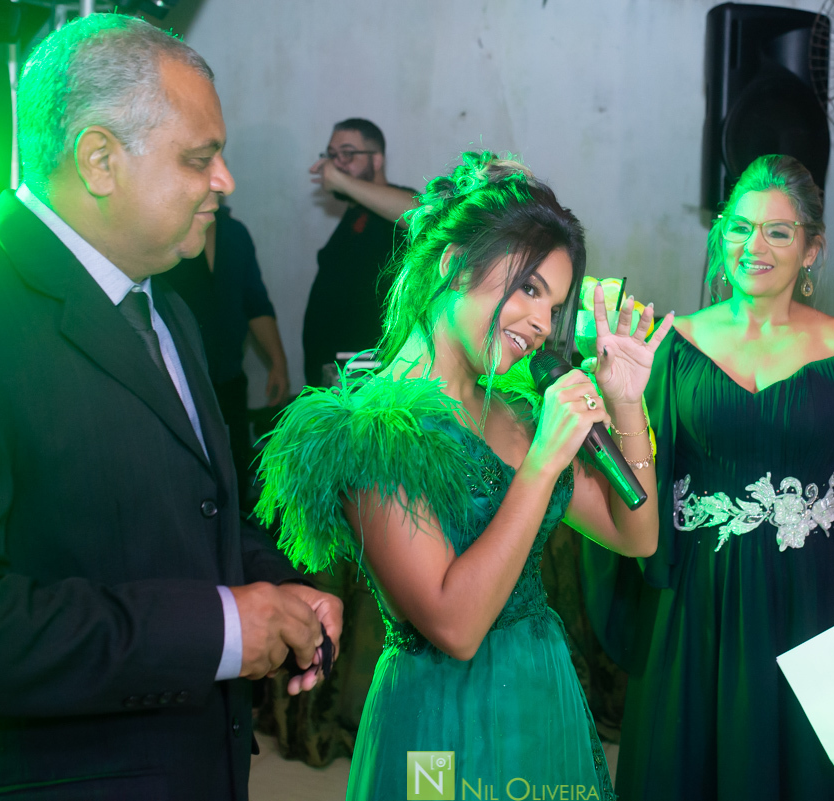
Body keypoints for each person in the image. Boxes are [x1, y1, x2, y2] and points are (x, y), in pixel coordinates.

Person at [0, 15, 342, 801]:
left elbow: (189, 513)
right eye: (200, 158)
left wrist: (278, 588)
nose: (225, 181)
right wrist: (223, 630)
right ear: (101, 159)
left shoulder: (165, 306)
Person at [256, 151, 672, 800]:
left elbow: (637, 534)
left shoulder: (518, 409)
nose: (541, 322)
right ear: (452, 264)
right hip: (441, 722)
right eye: (529, 288)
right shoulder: (376, 427)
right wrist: (539, 467)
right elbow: (454, 623)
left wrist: (624, 401)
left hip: (543, 692)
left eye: (554, 303)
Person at [589, 155, 834, 800]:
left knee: (801, 762)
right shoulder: (678, 343)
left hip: (808, 593)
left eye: (778, 232)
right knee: (691, 757)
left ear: (812, 248)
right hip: (697, 593)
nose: (754, 246)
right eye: (739, 228)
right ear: (721, 238)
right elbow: (638, 466)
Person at [166, 200, 290, 509]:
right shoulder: (165, 234)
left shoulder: (235, 234)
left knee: (234, 475)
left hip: (230, 381)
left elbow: (255, 302)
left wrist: (278, 363)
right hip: (178, 384)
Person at [302, 118, 418, 385]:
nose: (336, 163)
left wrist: (341, 181)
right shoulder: (355, 213)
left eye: (348, 153)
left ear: (377, 160)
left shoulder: (396, 202)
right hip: (339, 376)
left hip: (371, 374)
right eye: (332, 155)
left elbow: (419, 214)